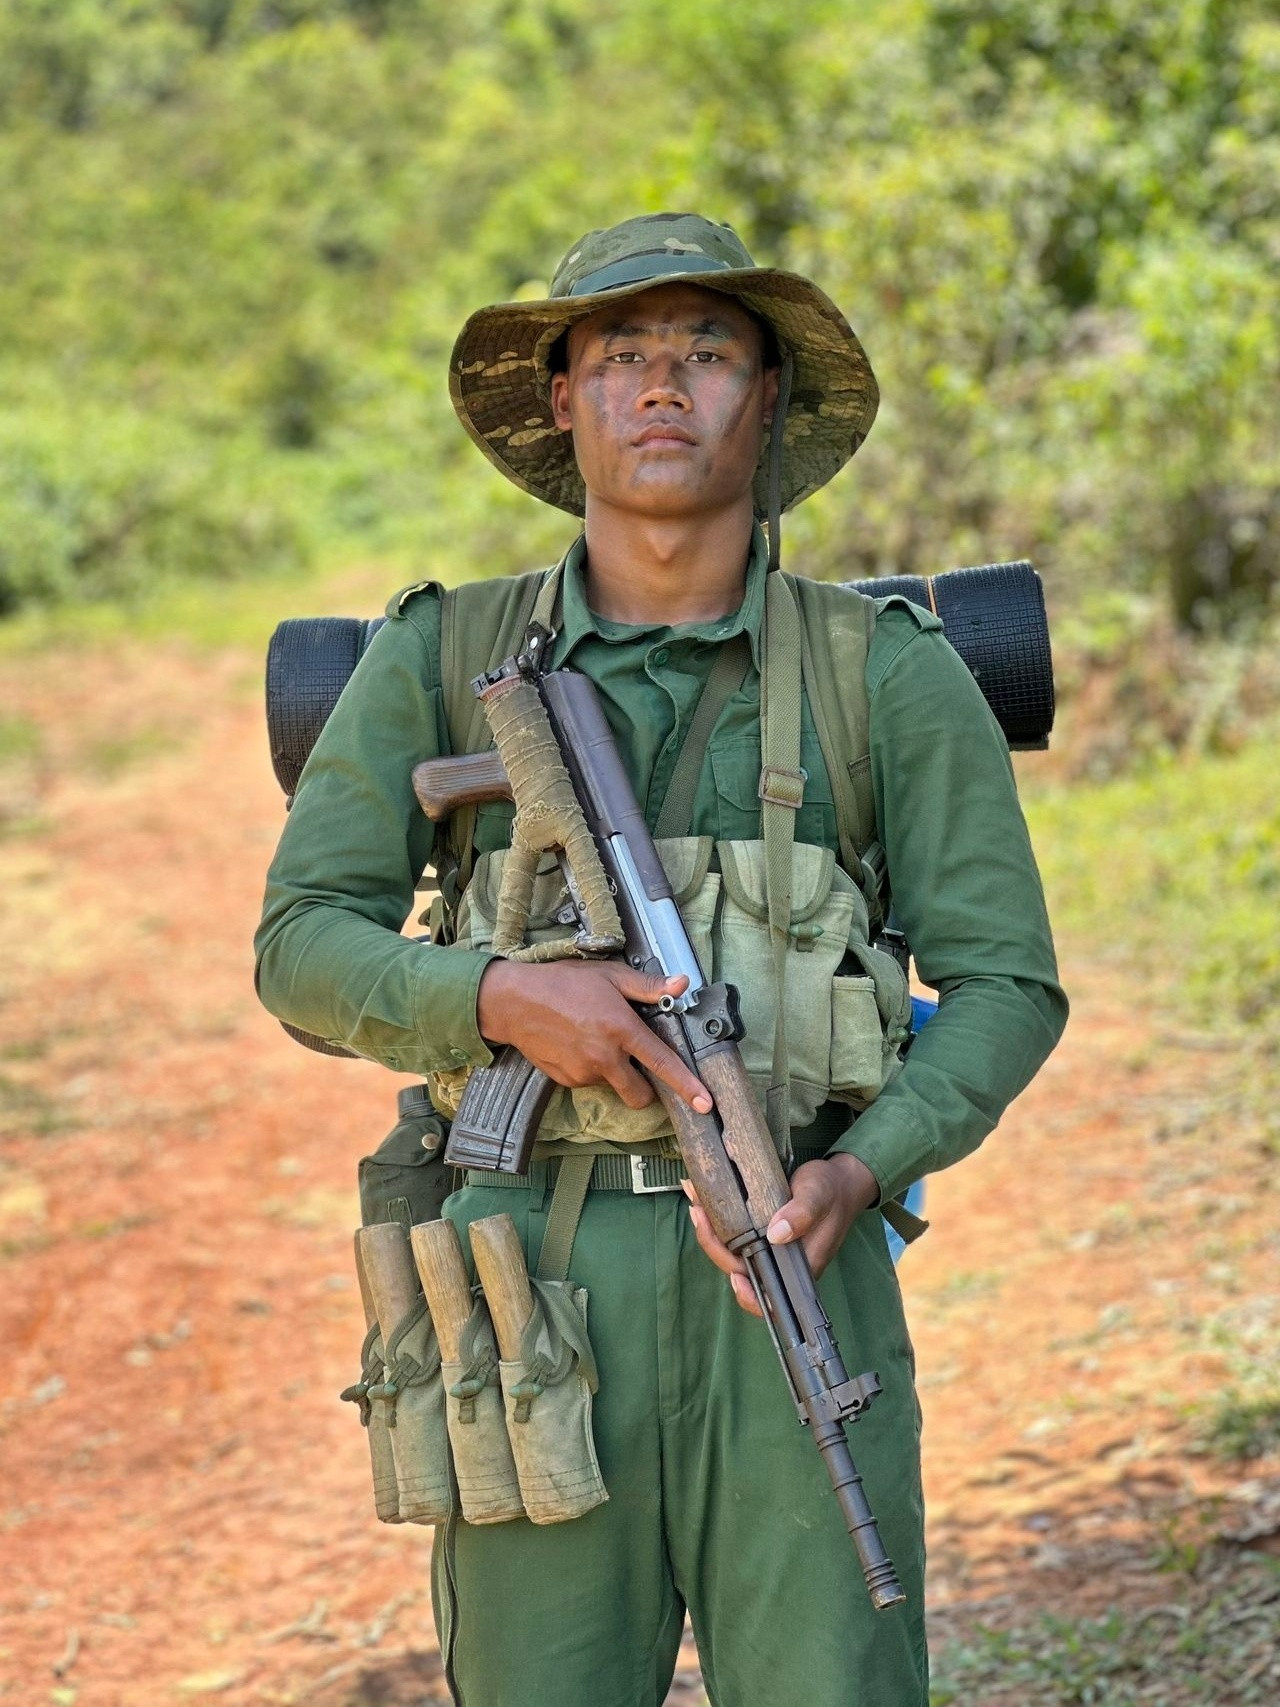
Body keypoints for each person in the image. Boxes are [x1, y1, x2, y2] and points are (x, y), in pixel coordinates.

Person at [255, 212, 1067, 1707]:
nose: (662, 385)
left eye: (707, 351)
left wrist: (860, 1171)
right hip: (526, 1285)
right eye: (621, 353)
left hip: (793, 1257)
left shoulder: (886, 673)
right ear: (564, 398)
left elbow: (1008, 986)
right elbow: (301, 942)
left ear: (770, 396)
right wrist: (502, 997)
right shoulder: (440, 656)